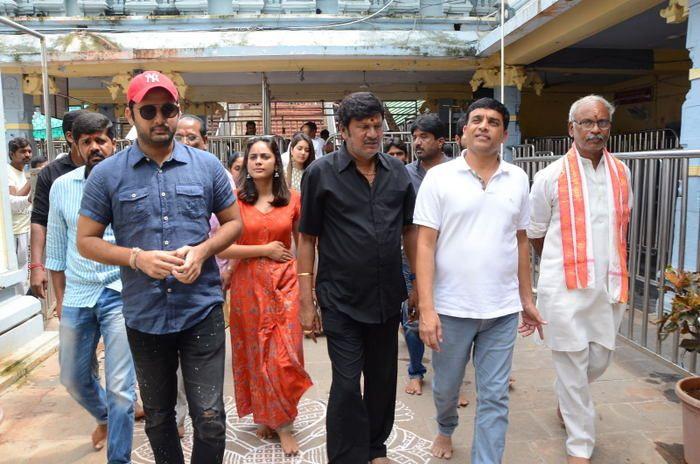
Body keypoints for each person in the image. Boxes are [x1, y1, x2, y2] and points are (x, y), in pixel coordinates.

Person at [76, 71, 243, 464]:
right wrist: (136, 258)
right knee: (158, 417)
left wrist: (202, 252)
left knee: (210, 416)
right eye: (148, 110)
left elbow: (235, 223)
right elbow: (86, 241)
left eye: (167, 109)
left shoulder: (206, 166)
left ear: (177, 110)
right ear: (131, 113)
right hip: (144, 313)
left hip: (201, 308)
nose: (159, 118)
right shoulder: (107, 175)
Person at [415, 97, 545, 462]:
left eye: (493, 121)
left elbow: (520, 240)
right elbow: (425, 244)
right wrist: (427, 309)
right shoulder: (439, 178)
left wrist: (527, 299)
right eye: (477, 120)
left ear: (504, 134)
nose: (484, 126)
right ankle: (445, 426)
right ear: (463, 133)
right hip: (452, 308)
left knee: (494, 396)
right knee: (445, 387)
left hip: (501, 311)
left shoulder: (518, 179)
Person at [297, 92, 417, 464]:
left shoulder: (398, 172)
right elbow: (307, 237)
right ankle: (346, 456)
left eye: (377, 126)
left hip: (386, 297)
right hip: (340, 300)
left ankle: (375, 448)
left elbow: (410, 231)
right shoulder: (321, 174)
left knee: (382, 381)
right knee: (348, 385)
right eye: (362, 127)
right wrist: (305, 299)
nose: (372, 133)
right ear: (344, 130)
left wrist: (415, 287)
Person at [528, 95, 632, 464]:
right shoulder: (549, 176)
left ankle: (568, 398)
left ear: (609, 127)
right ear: (571, 128)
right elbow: (535, 231)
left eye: (601, 122)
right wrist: (562, 263)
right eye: (586, 123)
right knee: (571, 361)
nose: (595, 130)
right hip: (565, 288)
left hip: (608, 286)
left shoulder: (622, 172)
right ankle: (579, 446)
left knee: (599, 359)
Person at [46, 112, 136, 463]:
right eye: (88, 142)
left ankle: (119, 459)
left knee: (121, 389)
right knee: (72, 376)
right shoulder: (62, 186)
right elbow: (56, 248)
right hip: (79, 294)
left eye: (101, 140)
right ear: (76, 145)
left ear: (113, 142)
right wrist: (60, 298)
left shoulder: (130, 183)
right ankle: (104, 417)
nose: (96, 147)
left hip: (120, 292)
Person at [219, 136, 312, 456]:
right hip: (249, 288)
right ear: (245, 163)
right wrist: (264, 250)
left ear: (276, 163)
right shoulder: (234, 201)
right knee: (257, 356)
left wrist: (308, 290)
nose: (258, 161)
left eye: (265, 156)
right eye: (253, 156)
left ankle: (283, 422)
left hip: (286, 284)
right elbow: (222, 246)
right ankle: (267, 414)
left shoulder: (294, 200)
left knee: (284, 355)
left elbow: (305, 246)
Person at [400, 114, 450, 397]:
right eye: (415, 137)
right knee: (413, 316)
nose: (417, 142)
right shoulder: (405, 174)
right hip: (412, 259)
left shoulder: (458, 172)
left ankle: (449, 381)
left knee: (450, 321)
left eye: (424, 137)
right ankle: (416, 372)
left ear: (441, 141)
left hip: (450, 259)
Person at [29, 110, 88, 300]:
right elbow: (39, 220)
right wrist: (37, 266)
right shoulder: (52, 174)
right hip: (68, 267)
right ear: (70, 137)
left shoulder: (108, 168)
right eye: (86, 135)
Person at [7, 137, 32, 294]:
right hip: (16, 231)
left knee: (25, 270)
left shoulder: (22, 172)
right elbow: (14, 200)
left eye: (29, 151)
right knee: (19, 271)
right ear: (12, 154)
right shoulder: (8, 172)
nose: (27, 154)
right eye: (22, 152)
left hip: (25, 227)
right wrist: (32, 182)